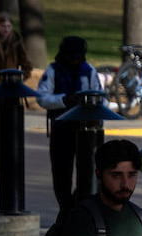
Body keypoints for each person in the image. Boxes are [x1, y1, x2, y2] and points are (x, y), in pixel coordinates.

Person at [36, 36, 102, 211]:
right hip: (61, 129)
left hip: (85, 131)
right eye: (71, 56)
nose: (74, 60)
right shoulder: (53, 71)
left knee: (88, 173)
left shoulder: (89, 71)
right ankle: (65, 208)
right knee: (61, 174)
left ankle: (78, 205)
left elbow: (100, 97)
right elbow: (42, 98)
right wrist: (64, 100)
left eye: (78, 57)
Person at [0, 16, 29, 93]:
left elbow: (26, 65)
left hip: (12, 86)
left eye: (9, 26)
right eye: (3, 26)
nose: (6, 30)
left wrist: (19, 79)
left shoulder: (17, 44)